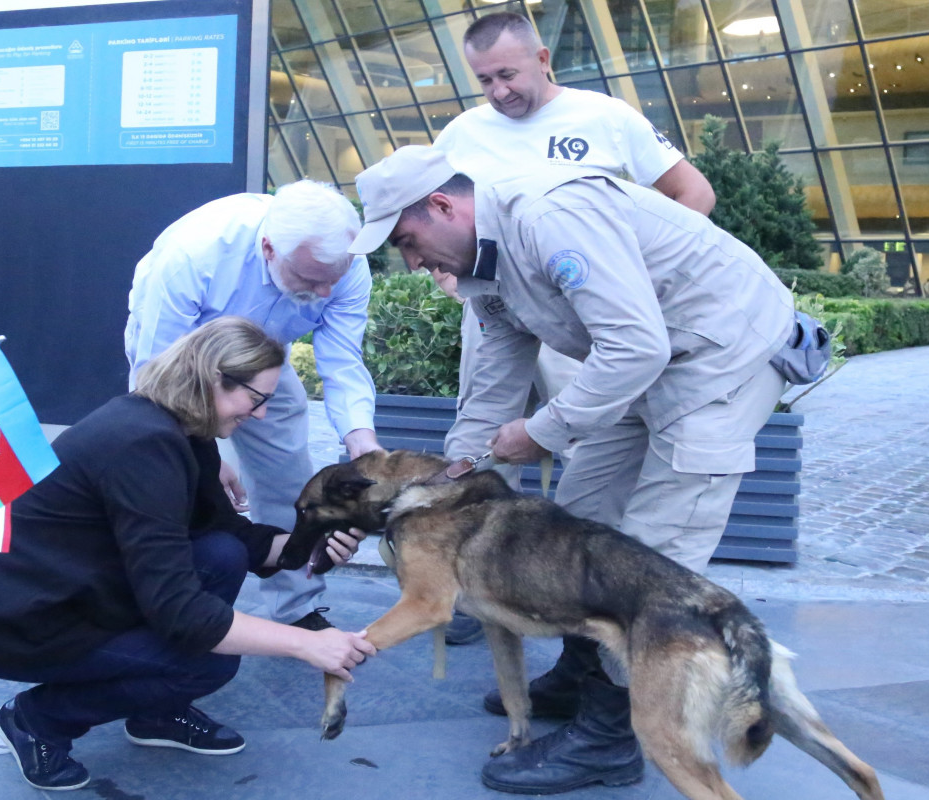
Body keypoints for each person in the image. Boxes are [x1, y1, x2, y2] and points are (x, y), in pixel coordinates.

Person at [348, 146, 794, 795]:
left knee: (651, 555)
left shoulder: (548, 217)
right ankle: (585, 675)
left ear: (444, 205)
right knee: (576, 521)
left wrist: (540, 431)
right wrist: (454, 472)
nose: (413, 262)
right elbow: (497, 369)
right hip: (643, 365)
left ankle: (610, 738)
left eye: (409, 241)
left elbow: (636, 344)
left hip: (718, 360)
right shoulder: (483, 261)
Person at [0, 317, 377, 792]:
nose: (261, 415)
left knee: (221, 553)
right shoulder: (142, 445)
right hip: (15, 622)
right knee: (207, 662)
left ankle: (154, 714)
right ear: (213, 379)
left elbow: (232, 537)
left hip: (78, 586)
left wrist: (309, 546)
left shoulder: (183, 429)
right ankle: (35, 719)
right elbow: (182, 612)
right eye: (257, 399)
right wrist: (306, 643)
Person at [432, 11, 717, 645]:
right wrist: (446, 275)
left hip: (587, 317)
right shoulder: (461, 134)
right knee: (482, 434)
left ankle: (565, 589)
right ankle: (474, 583)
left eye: (507, 73)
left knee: (585, 438)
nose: (498, 91)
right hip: (500, 312)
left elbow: (693, 195)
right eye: (483, 80)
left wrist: (631, 283)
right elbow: (435, 220)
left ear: (542, 60)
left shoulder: (606, 118)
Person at [125, 180, 382, 634]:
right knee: (174, 475)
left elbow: (343, 362)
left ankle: (297, 605)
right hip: (182, 357)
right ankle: (167, 597)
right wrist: (206, 451)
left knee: (290, 474)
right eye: (308, 279)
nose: (324, 292)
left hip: (268, 354)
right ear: (268, 248)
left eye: (333, 279)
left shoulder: (344, 265)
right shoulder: (193, 254)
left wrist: (362, 442)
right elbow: (156, 375)